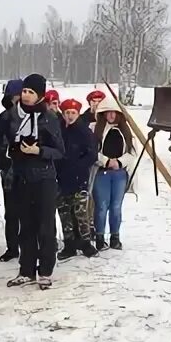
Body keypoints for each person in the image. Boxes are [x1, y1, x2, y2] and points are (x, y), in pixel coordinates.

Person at [5, 73, 64, 290]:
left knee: (45, 227)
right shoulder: (14, 116)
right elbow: (5, 139)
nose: (27, 96)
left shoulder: (49, 117)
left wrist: (39, 150)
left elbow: (59, 151)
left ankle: (46, 270)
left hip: (44, 179)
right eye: (25, 91)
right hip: (22, 177)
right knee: (26, 226)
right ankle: (26, 269)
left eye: (31, 92)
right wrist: (11, 150)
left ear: (40, 96)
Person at [55, 99, 98, 260]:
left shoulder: (85, 132)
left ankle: (86, 243)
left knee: (81, 212)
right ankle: (69, 244)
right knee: (64, 212)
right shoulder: (59, 129)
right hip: (61, 178)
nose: (70, 116)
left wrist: (79, 166)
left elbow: (92, 154)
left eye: (73, 113)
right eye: (67, 113)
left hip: (79, 178)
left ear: (78, 114)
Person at [92, 96, 136, 251]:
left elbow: (132, 153)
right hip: (101, 173)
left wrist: (119, 162)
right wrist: (105, 161)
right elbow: (91, 151)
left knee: (116, 206)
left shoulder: (126, 131)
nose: (111, 116)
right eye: (108, 112)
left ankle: (115, 237)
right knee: (101, 206)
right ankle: (99, 237)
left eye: (114, 112)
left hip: (119, 174)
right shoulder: (95, 129)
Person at [0, 79, 23, 262]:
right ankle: (12, 247)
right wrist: (2, 162)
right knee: (11, 212)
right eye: (15, 97)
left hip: (31, 171)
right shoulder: (4, 118)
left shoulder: (35, 117)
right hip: (10, 172)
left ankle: (30, 245)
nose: (18, 100)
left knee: (29, 212)